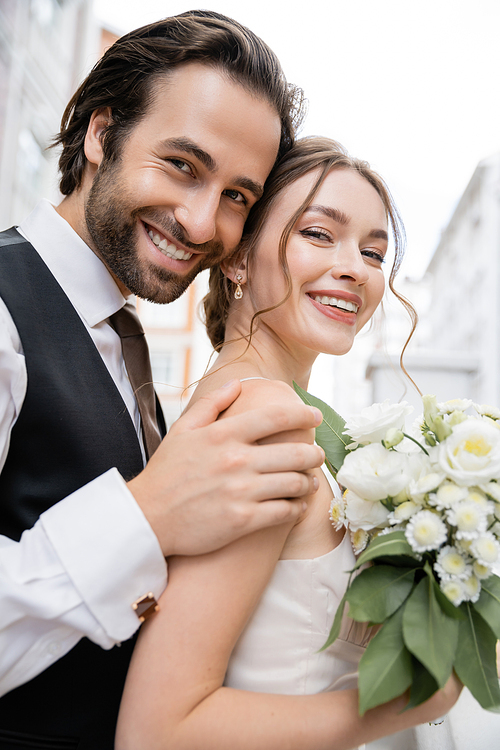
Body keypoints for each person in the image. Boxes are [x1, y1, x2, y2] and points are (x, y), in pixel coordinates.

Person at [0, 11, 326, 748]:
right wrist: (146, 514)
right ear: (101, 132)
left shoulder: (126, 342)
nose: (202, 221)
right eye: (182, 164)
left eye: (238, 196)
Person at [116, 136, 462, 750]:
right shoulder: (262, 418)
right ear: (239, 257)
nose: (355, 267)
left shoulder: (272, 405)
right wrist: (402, 701)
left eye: (374, 252)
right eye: (319, 234)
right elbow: (156, 732)